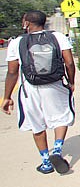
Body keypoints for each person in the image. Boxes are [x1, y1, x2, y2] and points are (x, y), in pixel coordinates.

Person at [2, 10, 75, 174]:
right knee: (61, 117)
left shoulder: (17, 42)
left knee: (36, 124)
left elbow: (13, 72)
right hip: (55, 85)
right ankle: (57, 150)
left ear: (26, 23)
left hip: (30, 89)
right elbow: (69, 63)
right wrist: (71, 82)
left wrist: (6, 97)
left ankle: (46, 162)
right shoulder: (58, 37)